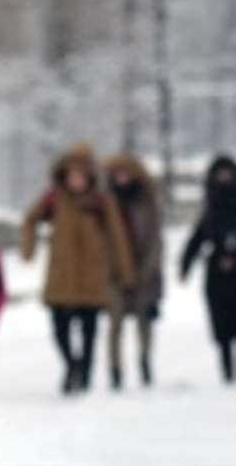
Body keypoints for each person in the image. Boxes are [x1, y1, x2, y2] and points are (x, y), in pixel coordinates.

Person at [21, 144, 135, 395]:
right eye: (72, 175)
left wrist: (125, 273)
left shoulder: (102, 202)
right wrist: (28, 248)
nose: (76, 181)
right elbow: (30, 219)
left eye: (81, 175)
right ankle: (71, 365)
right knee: (59, 329)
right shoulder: (54, 199)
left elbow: (118, 239)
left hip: (92, 276)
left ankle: (84, 374)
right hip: (61, 275)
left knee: (89, 331)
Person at [180, 154, 236, 384]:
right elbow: (198, 239)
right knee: (223, 323)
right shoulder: (211, 211)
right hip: (219, 276)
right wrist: (186, 264)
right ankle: (227, 368)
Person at [104, 152, 164, 390]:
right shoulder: (106, 204)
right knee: (115, 324)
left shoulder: (146, 203)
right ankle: (115, 369)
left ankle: (145, 361)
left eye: (125, 173)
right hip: (114, 274)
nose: (121, 178)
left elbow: (155, 239)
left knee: (144, 321)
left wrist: (148, 268)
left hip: (144, 272)